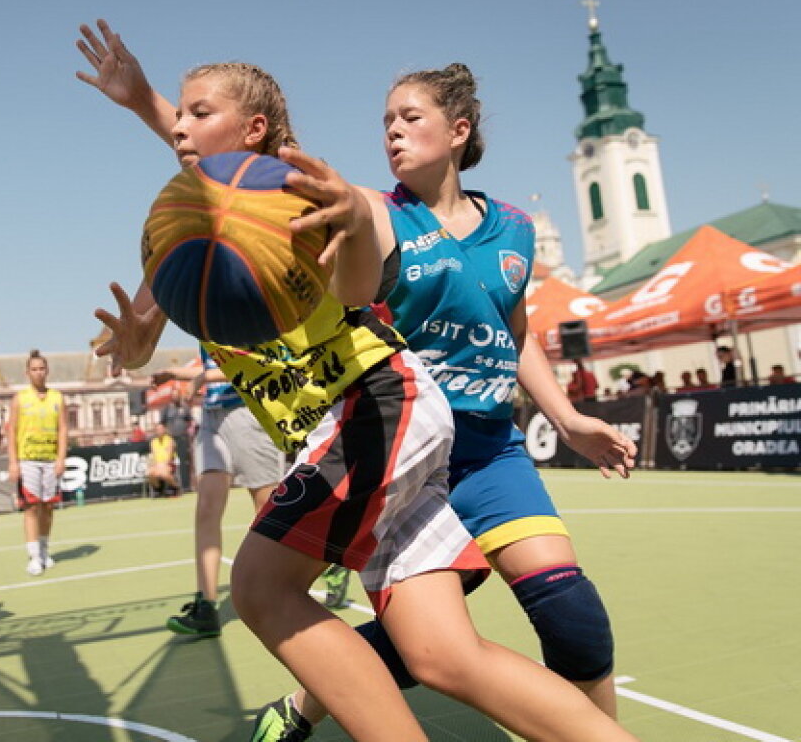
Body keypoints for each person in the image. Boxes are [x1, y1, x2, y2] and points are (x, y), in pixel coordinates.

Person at [77, 19, 637, 742]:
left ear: (255, 132)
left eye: (197, 113)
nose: (180, 126)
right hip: (381, 423)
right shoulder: (189, 227)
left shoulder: (295, 194)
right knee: (440, 655)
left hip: (373, 408)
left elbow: (348, 268)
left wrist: (148, 104)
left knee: (259, 587)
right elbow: (152, 320)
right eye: (176, 115)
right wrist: (134, 341)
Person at [248, 61, 640, 739]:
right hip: (404, 455)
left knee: (572, 614)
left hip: (490, 453)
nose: (393, 132)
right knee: (425, 642)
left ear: (459, 130)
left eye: (410, 117)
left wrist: (568, 417)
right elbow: (261, 166)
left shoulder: (514, 228)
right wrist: (159, 111)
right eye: (386, 123)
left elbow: (514, 336)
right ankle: (303, 707)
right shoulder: (373, 211)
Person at [155, 348, 285, 636]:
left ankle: (290, 585)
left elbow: (258, 361)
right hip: (212, 416)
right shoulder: (202, 315)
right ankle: (206, 606)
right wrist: (178, 374)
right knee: (207, 508)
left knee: (268, 509)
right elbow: (216, 366)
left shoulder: (247, 305)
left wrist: (203, 377)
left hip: (248, 410)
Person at [7, 349, 67, 576]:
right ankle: (33, 556)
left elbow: (63, 429)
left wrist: (61, 458)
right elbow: (11, 430)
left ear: (47, 371)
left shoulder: (57, 398)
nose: (38, 373)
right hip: (28, 459)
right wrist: (13, 462)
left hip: (50, 459)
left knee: (48, 506)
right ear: (27, 372)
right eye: (34, 369)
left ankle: (44, 549)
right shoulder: (19, 399)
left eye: (42, 369)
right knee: (31, 507)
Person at [147, 421, 180, 497]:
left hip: (169, 464)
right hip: (158, 465)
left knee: (163, 473)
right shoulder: (153, 442)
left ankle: (175, 487)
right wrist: (154, 464)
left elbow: (169, 456)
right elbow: (153, 456)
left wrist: (163, 464)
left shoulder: (170, 440)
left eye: (161, 429)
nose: (159, 431)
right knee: (150, 473)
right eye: (157, 429)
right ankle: (158, 489)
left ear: (164, 429)